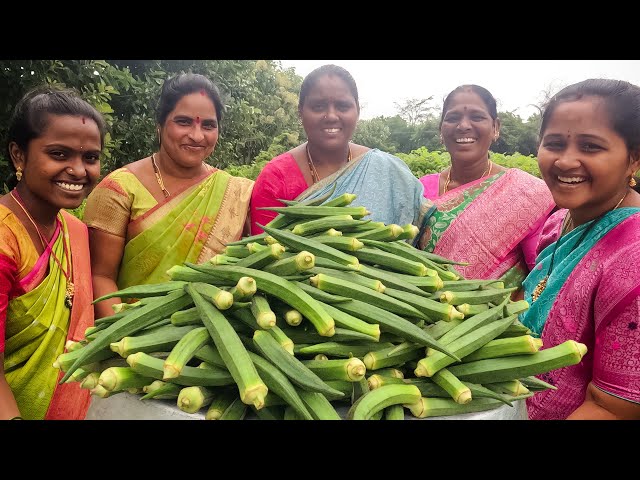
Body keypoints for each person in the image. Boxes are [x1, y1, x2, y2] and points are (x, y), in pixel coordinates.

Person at [84, 73, 254, 320]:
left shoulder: (236, 193)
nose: (197, 136)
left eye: (208, 125)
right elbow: (100, 276)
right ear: (160, 126)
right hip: (131, 339)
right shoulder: (119, 190)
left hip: (213, 340)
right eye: (184, 122)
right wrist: (120, 340)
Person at [520, 78, 640, 420]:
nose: (565, 161)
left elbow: (615, 408)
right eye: (554, 143)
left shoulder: (634, 255)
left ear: (633, 158)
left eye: (590, 147)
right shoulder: (557, 224)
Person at [0, 86, 106, 420]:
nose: (78, 170)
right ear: (19, 155)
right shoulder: (5, 238)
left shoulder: (75, 231)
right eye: (59, 154)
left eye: (90, 157)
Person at [250, 64, 433, 235]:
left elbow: (421, 233)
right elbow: (267, 252)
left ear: (357, 111)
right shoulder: (275, 179)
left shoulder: (386, 170)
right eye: (318, 107)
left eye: (343, 106)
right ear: (301, 112)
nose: (331, 116)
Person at [416, 85, 555, 291]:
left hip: (501, 316)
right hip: (423, 316)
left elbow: (541, 276)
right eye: (452, 118)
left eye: (477, 117)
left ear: (495, 127)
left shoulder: (525, 193)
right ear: (441, 129)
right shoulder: (420, 188)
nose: (463, 125)